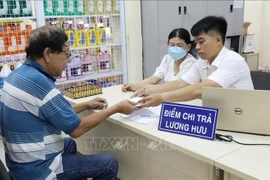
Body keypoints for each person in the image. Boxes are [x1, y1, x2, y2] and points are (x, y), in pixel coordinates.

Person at [0, 26, 139, 180]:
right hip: (37, 170)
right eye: (66, 54)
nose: (69, 60)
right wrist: (116, 108)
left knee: (69, 145)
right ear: (47, 54)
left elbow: (52, 112)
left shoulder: (18, 75)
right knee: (108, 163)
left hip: (19, 162)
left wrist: (85, 105)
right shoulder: (39, 83)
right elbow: (76, 129)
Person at [133, 16, 254, 107]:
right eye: (196, 42)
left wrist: (162, 97)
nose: (197, 47)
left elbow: (200, 88)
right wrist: (147, 91)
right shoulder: (201, 62)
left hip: (241, 116)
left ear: (218, 40)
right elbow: (180, 83)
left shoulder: (233, 61)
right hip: (218, 113)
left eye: (201, 42)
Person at [122, 28, 197, 92]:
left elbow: (176, 86)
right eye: (172, 45)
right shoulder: (167, 58)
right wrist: (134, 85)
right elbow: (153, 80)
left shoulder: (191, 63)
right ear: (167, 45)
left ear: (188, 47)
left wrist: (140, 88)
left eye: (179, 45)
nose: (175, 48)